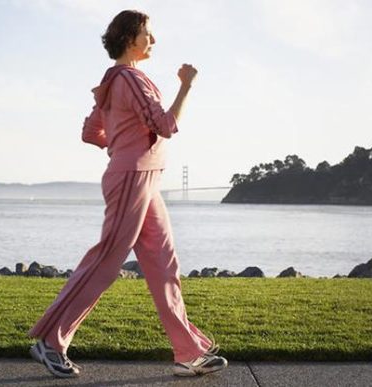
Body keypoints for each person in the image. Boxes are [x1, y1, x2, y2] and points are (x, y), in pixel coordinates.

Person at [28, 9, 228, 378]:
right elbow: (165, 126)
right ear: (129, 37)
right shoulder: (132, 79)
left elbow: (92, 133)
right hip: (133, 179)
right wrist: (186, 85)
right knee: (106, 261)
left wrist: (121, 141)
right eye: (148, 34)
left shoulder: (111, 83)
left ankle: (188, 352)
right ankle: (50, 341)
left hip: (143, 179)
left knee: (165, 264)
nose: (153, 41)